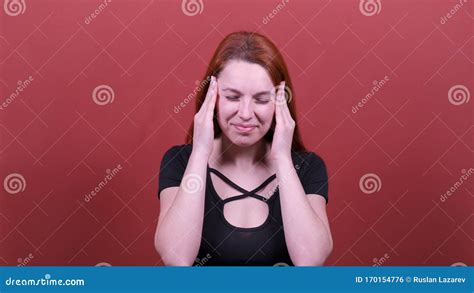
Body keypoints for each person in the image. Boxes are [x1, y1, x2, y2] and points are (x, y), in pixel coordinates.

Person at [154, 31, 333, 266]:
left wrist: (282, 158)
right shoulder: (180, 161)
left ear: (280, 101)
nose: (246, 114)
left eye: (260, 99)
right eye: (233, 97)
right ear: (213, 97)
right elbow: (176, 258)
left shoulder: (307, 167)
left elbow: (310, 259)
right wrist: (199, 152)